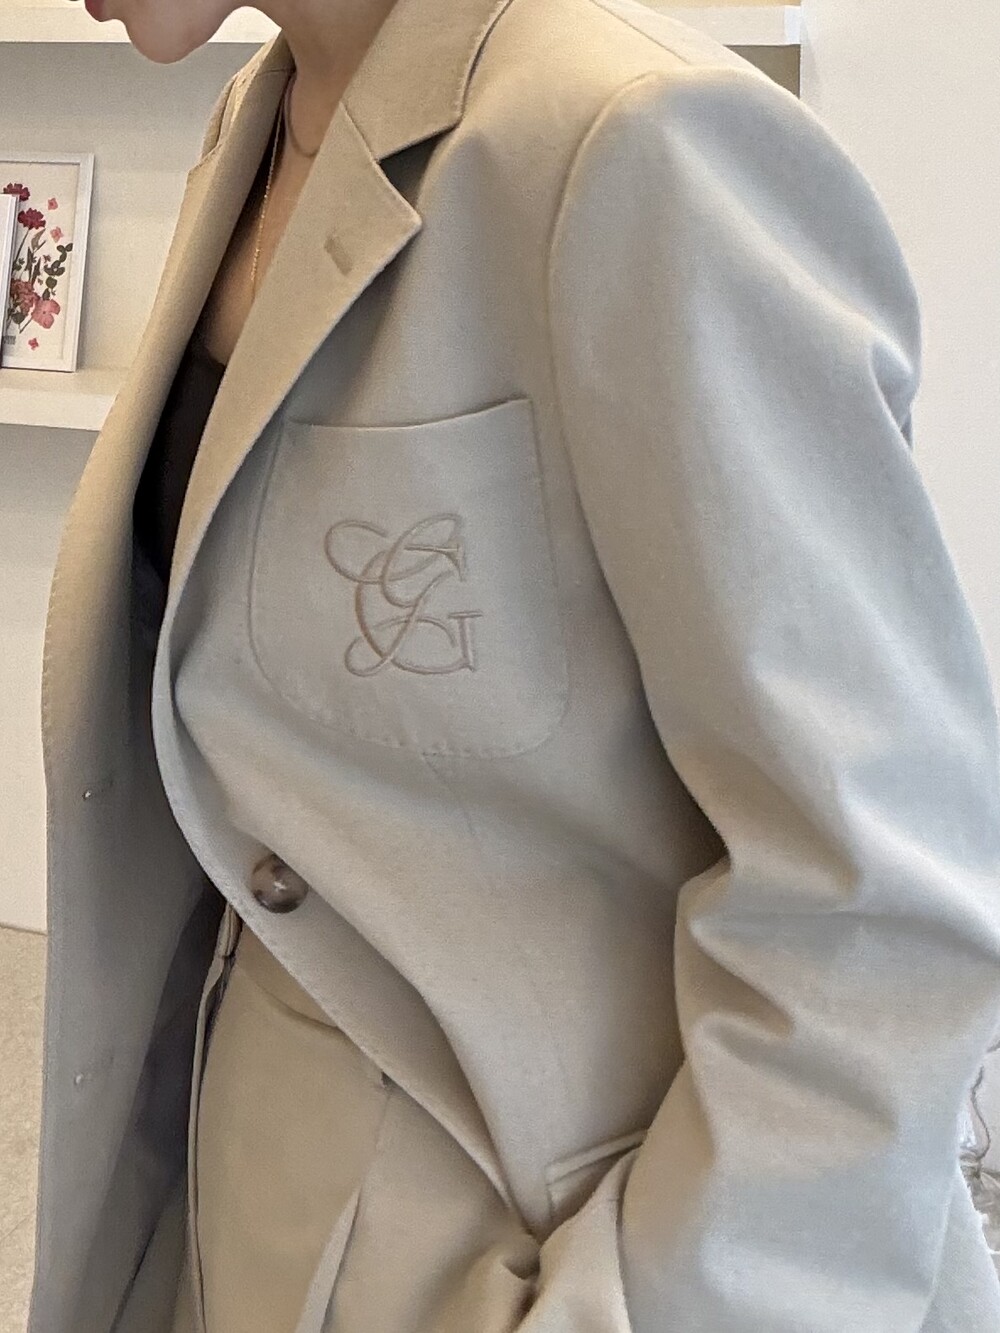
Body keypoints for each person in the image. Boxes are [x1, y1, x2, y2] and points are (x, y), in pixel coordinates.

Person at [31, 0, 1000, 1329]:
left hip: (554, 1261)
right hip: (255, 1207)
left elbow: (880, 898)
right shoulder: (261, 120)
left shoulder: (638, 136)